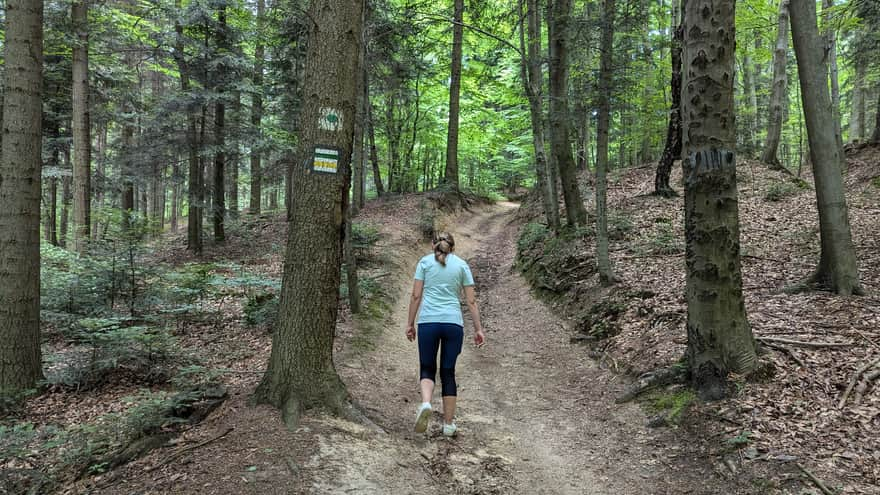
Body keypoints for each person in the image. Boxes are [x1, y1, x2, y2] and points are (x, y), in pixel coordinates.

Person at [406, 232, 485, 437]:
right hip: (453, 324)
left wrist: (410, 323)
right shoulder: (461, 265)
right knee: (448, 372)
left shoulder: (424, 263)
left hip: (428, 322)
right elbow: (471, 302)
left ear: (433, 245)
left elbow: (416, 295)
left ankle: (425, 403)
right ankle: (448, 425)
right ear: (453, 246)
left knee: (427, 367)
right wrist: (478, 329)